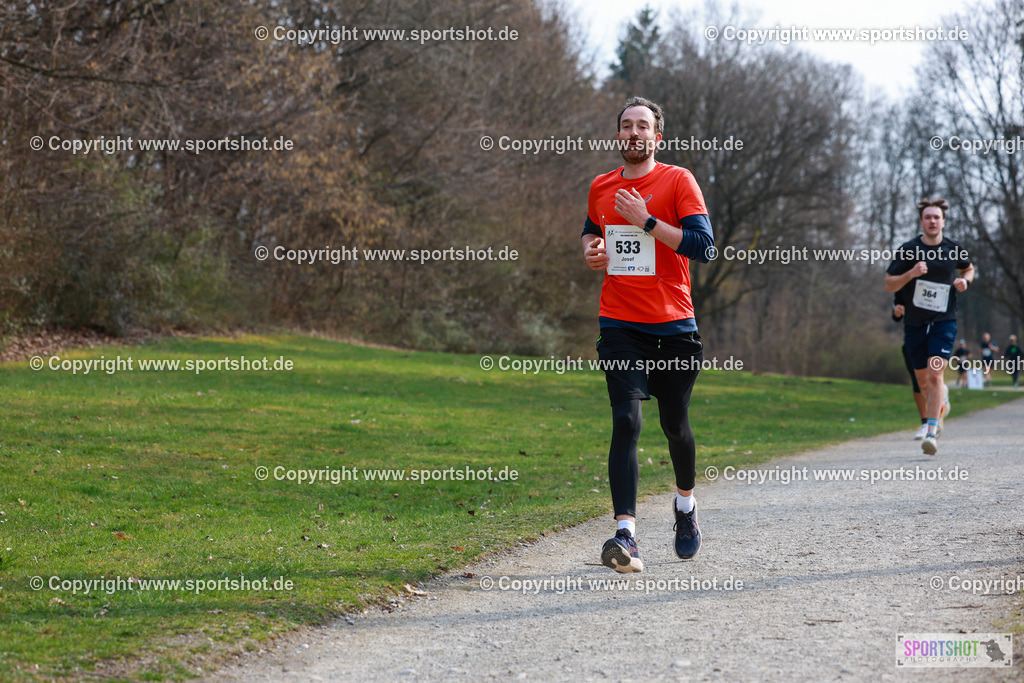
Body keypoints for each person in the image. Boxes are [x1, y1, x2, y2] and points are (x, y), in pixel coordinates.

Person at [581, 96, 714, 572]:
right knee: (626, 422)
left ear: (658, 137)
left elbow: (704, 246)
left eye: (643, 126)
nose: (633, 133)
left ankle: (685, 508)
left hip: (674, 326)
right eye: (625, 125)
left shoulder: (678, 181)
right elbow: (591, 231)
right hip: (619, 323)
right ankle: (626, 535)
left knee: (674, 426)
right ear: (618, 135)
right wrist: (592, 252)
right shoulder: (601, 186)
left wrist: (648, 222)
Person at [886, 198, 974, 455]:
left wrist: (965, 281)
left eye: (937, 217)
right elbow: (890, 284)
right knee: (923, 381)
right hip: (914, 323)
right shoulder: (908, 250)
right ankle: (941, 400)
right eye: (928, 217)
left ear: (943, 221)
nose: (932, 221)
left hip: (943, 321)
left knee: (936, 374)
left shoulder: (953, 248)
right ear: (921, 222)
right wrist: (910, 274)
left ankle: (932, 432)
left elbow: (968, 269)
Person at [892, 295, 949, 440]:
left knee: (934, 375)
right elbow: (897, 310)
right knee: (919, 382)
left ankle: (932, 420)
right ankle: (926, 421)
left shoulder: (937, 277)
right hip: (913, 338)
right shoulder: (907, 279)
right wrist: (897, 311)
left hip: (935, 332)